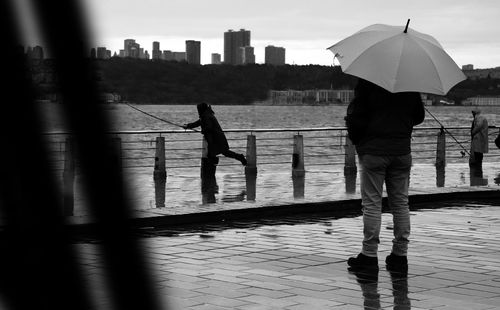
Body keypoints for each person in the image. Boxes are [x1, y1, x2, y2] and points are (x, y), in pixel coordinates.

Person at [345, 78, 425, 273]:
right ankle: (400, 255)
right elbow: (419, 116)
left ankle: (369, 255)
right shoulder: (410, 84)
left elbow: (356, 116)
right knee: (400, 203)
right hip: (401, 151)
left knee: (372, 203)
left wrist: (359, 139)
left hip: (373, 151)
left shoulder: (368, 82)